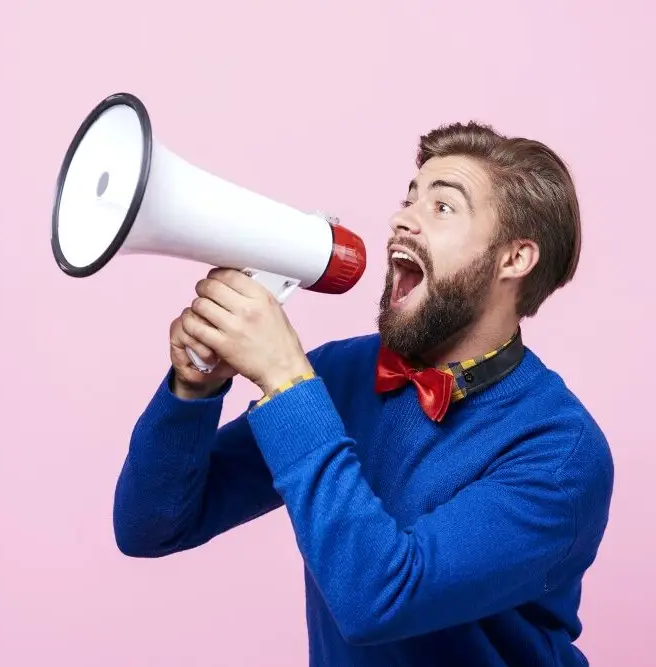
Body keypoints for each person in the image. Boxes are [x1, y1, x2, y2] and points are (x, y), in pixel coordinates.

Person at [113, 121, 614, 667]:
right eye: (409, 197)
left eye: (443, 207)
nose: (402, 218)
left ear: (514, 259)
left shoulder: (561, 453)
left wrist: (286, 381)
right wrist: (194, 392)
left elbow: (380, 599)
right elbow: (151, 526)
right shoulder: (344, 374)